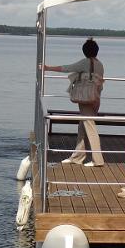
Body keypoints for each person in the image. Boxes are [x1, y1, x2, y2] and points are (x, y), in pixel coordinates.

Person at [45, 38, 105, 167]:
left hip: (85, 98)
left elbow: (67, 68)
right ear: (96, 51)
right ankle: (78, 157)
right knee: (83, 127)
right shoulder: (100, 64)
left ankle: (98, 160)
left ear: (84, 51)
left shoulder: (85, 62)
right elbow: (100, 84)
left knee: (90, 127)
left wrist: (47, 68)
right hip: (95, 98)